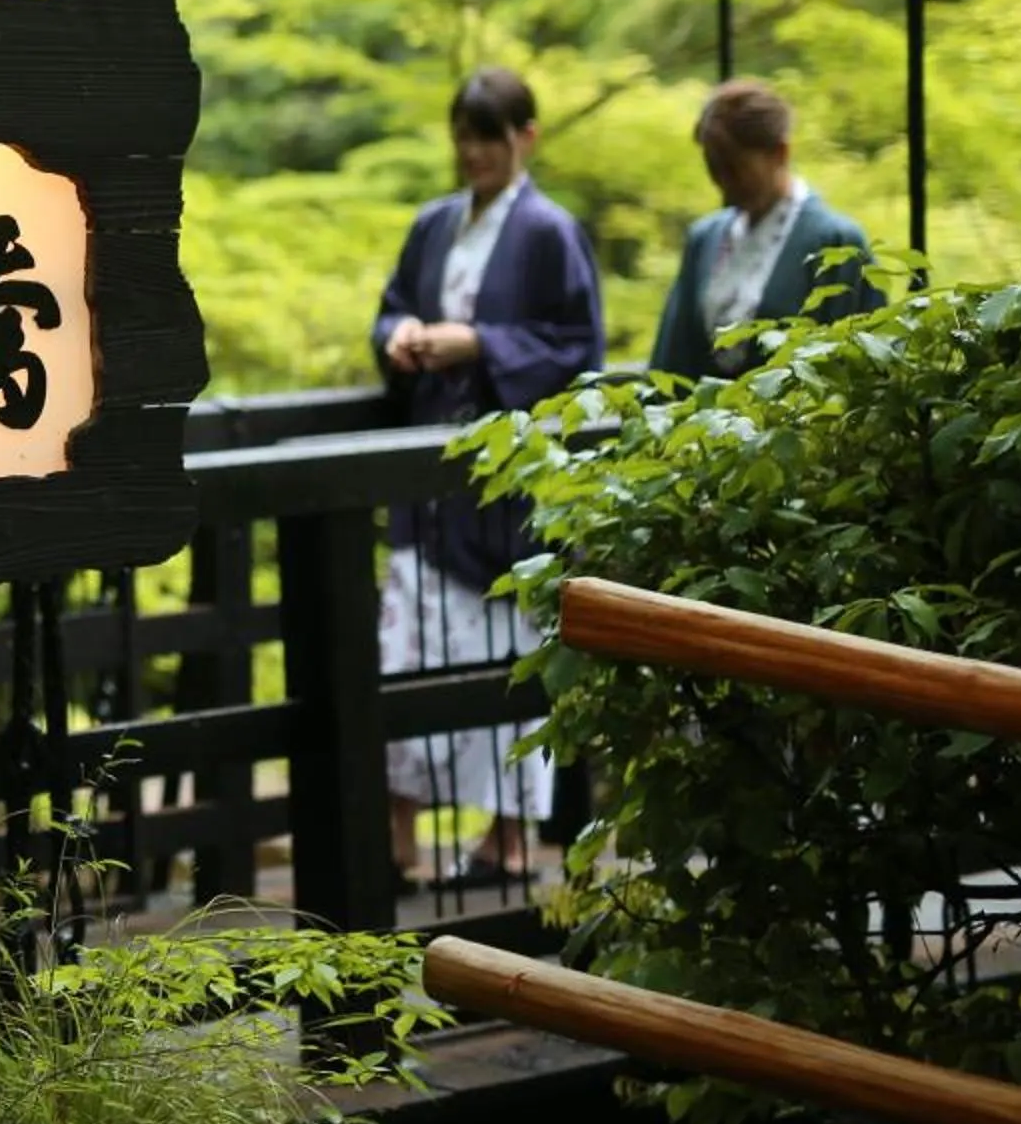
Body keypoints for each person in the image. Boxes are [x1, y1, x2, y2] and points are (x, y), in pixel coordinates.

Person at [370, 67, 605, 892]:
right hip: (427, 482)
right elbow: (392, 304)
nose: (473, 154)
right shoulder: (433, 224)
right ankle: (397, 838)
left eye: (488, 138)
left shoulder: (549, 232)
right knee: (403, 651)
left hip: (506, 486)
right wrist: (401, 334)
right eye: (464, 138)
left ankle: (507, 840)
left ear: (525, 138)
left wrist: (480, 344)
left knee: (505, 653)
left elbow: (578, 348)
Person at [650, 78, 883, 380]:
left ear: (780, 153)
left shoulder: (835, 241)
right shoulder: (704, 239)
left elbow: (858, 369)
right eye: (714, 169)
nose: (724, 183)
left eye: (735, 169)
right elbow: (672, 362)